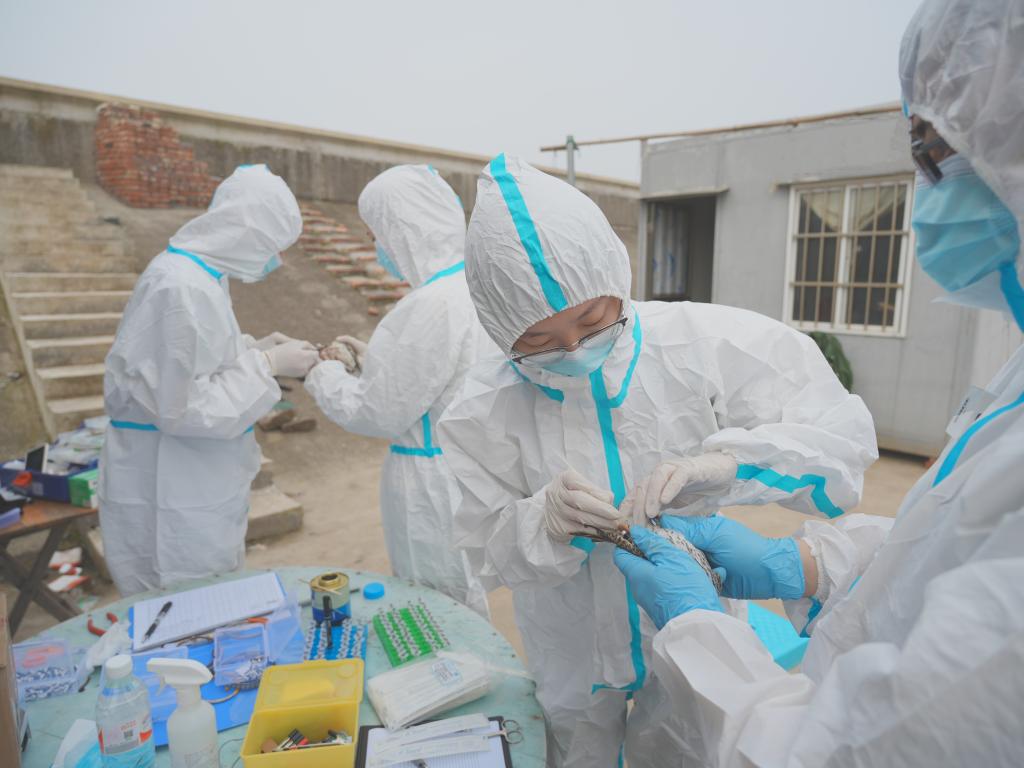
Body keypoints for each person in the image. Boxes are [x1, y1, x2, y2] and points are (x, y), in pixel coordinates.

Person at [613, 0, 1024, 764]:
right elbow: (942, 546)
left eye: (936, 154)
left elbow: (830, 752)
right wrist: (805, 564)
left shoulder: (715, 338)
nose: (925, 194)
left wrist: (698, 626)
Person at [437, 154, 878, 766]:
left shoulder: (705, 341)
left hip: (697, 619)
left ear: (615, 276)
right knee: (574, 749)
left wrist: (734, 466)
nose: (574, 349)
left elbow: (841, 441)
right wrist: (543, 523)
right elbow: (485, 547)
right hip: (571, 645)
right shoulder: (479, 409)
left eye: (592, 319)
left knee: (696, 744)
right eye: (538, 341)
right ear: (499, 330)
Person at [99, 164, 318, 596]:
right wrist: (267, 364)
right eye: (274, 246)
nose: (277, 259)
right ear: (246, 233)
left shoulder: (201, 276)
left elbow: (199, 361)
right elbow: (183, 408)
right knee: (181, 602)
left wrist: (251, 350)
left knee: (211, 595)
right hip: (170, 485)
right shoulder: (180, 288)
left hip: (193, 477)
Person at [305, 165, 495, 617]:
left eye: (377, 233)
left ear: (403, 230)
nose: (376, 245)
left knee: (436, 602)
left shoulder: (428, 306)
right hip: (466, 467)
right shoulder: (470, 288)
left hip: (428, 486)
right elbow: (442, 376)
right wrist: (377, 361)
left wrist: (323, 373)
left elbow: (378, 412)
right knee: (464, 596)